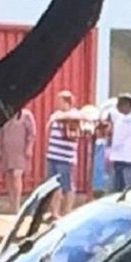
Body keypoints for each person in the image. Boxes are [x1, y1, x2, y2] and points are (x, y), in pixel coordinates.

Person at [0, 108, 37, 213]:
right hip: (7, 150)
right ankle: (11, 202)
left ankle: (17, 204)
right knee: (9, 175)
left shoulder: (26, 115)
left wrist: (29, 147)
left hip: (20, 151)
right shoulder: (5, 114)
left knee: (16, 175)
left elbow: (31, 133)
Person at [45, 90, 80, 218]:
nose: (57, 104)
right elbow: (48, 129)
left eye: (60, 101)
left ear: (67, 102)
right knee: (53, 185)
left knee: (67, 185)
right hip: (53, 155)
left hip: (66, 158)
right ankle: (54, 212)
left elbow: (75, 120)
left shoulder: (75, 115)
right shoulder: (55, 115)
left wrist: (58, 117)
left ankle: (67, 211)